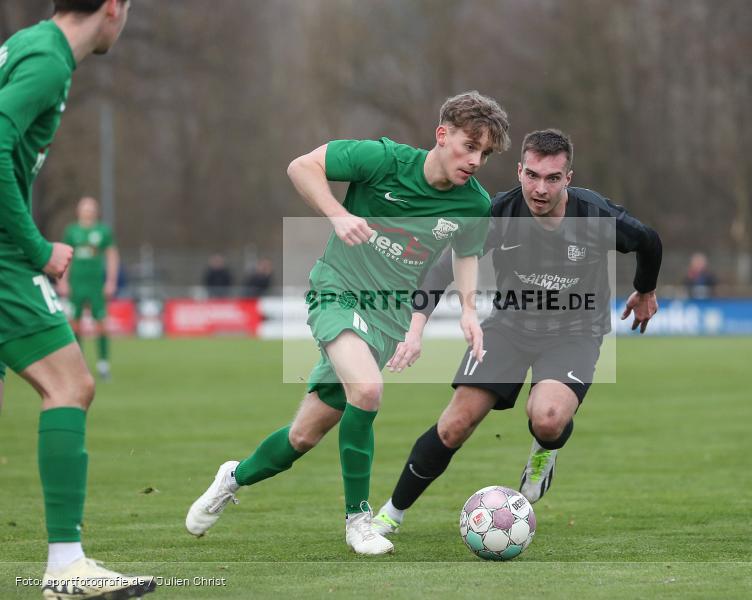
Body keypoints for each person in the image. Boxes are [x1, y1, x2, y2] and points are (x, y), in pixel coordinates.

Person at [185, 91, 511, 555]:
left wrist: (468, 312)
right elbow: (302, 166)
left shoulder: (473, 204)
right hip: (336, 290)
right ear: (442, 135)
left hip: (387, 317)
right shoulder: (381, 160)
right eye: (468, 146)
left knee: (302, 436)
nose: (476, 160)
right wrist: (338, 215)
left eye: (485, 153)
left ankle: (232, 477)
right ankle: (359, 520)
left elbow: (466, 253)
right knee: (368, 390)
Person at [368, 129, 662, 535]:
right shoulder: (498, 213)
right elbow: (441, 269)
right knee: (454, 424)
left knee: (548, 418)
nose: (541, 188)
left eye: (553, 178)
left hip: (575, 330)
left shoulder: (595, 216)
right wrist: (415, 327)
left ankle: (544, 452)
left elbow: (649, 241)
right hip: (507, 326)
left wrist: (645, 290)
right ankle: (391, 514)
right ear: (519, 170)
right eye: (533, 176)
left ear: (568, 178)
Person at [0, 1, 155, 598]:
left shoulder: (28, 42)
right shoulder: (47, 61)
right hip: (6, 256)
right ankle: (66, 566)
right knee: (71, 386)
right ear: (112, 8)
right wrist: (36, 247)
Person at [57, 196, 119, 380]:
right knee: (74, 325)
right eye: (85, 208)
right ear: (79, 211)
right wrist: (62, 281)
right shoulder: (71, 231)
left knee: (101, 324)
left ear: (96, 211)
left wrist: (111, 281)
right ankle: (78, 366)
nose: (88, 212)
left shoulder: (103, 231)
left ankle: (103, 365)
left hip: (96, 285)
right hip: (76, 284)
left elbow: (112, 256)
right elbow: (64, 257)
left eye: (91, 209)